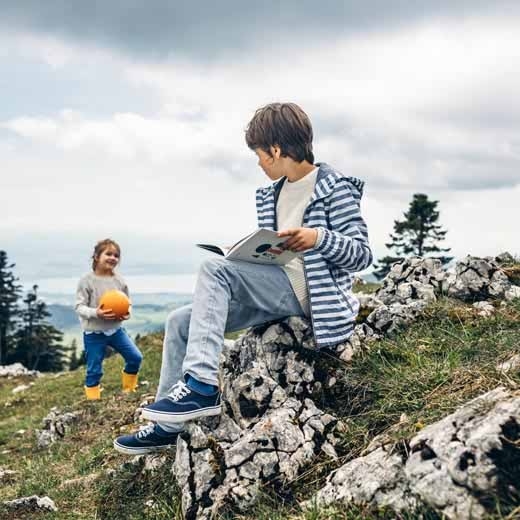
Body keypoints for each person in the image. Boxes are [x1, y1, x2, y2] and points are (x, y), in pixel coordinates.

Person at [114, 102, 372, 455]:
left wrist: (318, 238)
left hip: (311, 293)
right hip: (275, 289)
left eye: (260, 154)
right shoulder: (272, 194)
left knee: (213, 270)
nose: (259, 162)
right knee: (179, 322)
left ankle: (201, 387)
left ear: (277, 150)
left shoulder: (335, 188)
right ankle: (167, 428)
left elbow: (361, 254)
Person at [75, 238, 143, 400]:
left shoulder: (119, 281)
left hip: (116, 330)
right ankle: (93, 399)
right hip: (94, 333)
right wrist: (96, 313)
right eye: (108, 254)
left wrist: (128, 312)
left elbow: (127, 302)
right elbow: (79, 307)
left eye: (116, 255)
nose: (113, 258)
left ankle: (129, 389)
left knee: (135, 357)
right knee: (94, 369)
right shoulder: (86, 281)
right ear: (97, 256)